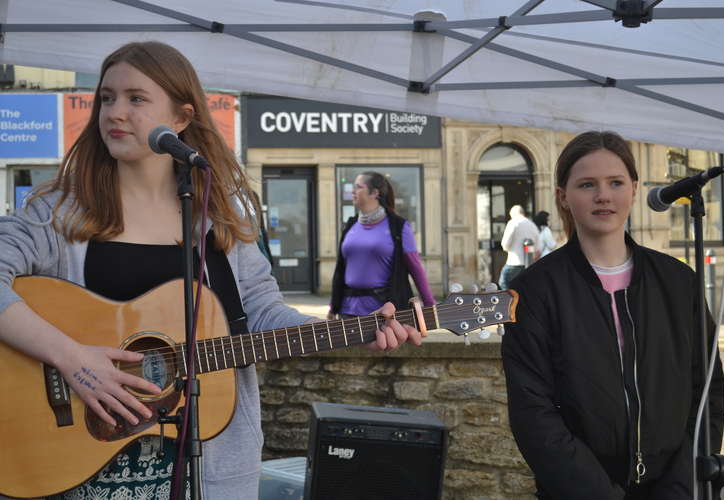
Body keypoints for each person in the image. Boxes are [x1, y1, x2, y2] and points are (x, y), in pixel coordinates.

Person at [0, 41, 421, 500]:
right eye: (106, 97)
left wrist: (353, 330)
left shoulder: (220, 218)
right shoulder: (58, 212)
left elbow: (260, 315)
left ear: (181, 118)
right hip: (78, 469)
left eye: (136, 99)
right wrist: (73, 359)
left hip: (209, 474)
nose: (114, 112)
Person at [501, 131, 724, 499]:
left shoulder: (677, 281)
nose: (603, 195)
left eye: (615, 182)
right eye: (587, 184)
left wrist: (681, 488)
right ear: (563, 196)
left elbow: (707, 392)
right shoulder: (535, 290)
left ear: (634, 189)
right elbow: (533, 414)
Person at [328, 171, 435, 319]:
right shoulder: (350, 225)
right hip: (347, 310)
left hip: (385, 312)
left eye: (358, 187)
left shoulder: (398, 226)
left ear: (374, 193)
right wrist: (333, 306)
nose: (353, 191)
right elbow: (341, 268)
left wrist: (430, 305)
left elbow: (415, 267)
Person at [498, 204, 540, 290]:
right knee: (522, 286)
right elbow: (538, 245)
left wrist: (507, 249)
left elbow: (505, 243)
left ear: (513, 214)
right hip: (528, 263)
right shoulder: (532, 225)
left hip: (514, 261)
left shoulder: (513, 222)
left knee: (503, 282)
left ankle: (509, 302)